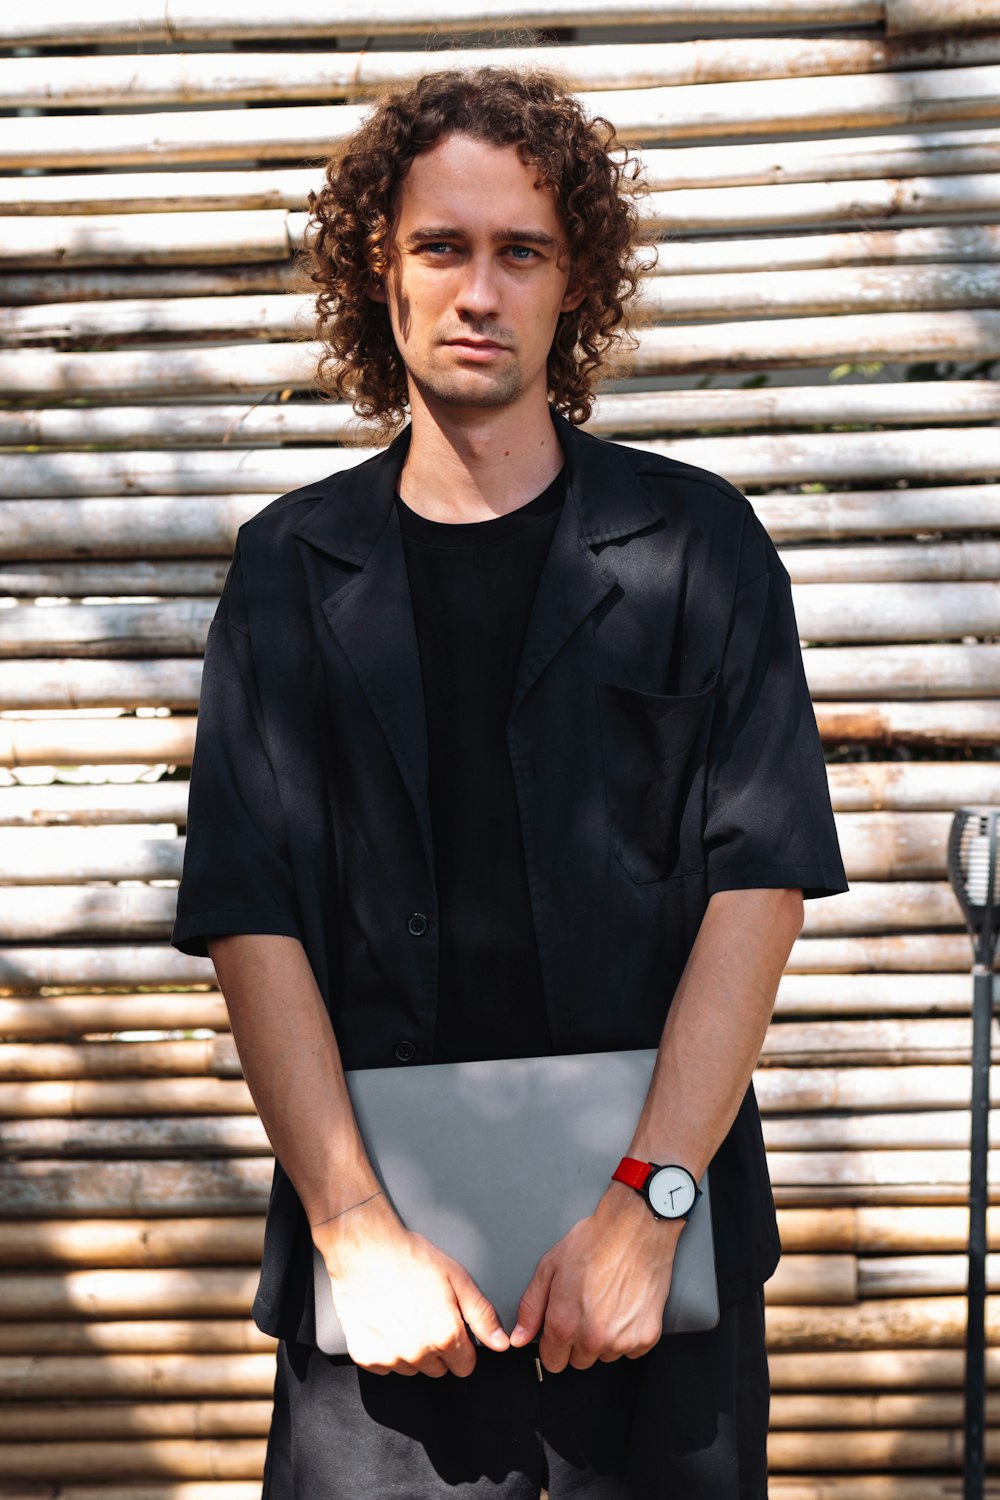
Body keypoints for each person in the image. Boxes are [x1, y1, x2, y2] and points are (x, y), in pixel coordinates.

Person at [172, 65, 847, 1499]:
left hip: (653, 1271)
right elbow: (252, 914)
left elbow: (758, 884)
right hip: (384, 1303)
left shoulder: (703, 547)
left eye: (520, 251)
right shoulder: (289, 575)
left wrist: (649, 1206)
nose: (480, 290)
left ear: (572, 280)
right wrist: (354, 1229)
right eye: (442, 246)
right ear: (382, 268)